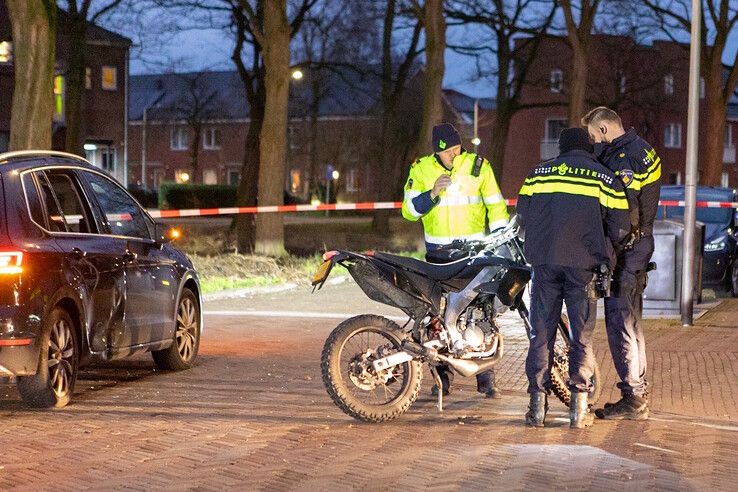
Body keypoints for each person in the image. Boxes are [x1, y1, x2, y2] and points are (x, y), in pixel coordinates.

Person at [516, 127, 631, 428]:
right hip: (584, 268)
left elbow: (522, 217)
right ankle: (578, 411)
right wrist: (602, 248)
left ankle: (535, 409)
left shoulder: (537, 174)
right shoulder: (603, 177)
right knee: (581, 338)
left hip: (544, 265)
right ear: (588, 148)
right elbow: (621, 228)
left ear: (561, 148)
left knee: (540, 334)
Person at [401, 122, 509, 398]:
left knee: (481, 312)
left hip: (474, 253)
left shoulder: (477, 167)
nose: (453, 154)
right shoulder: (421, 169)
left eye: (456, 148)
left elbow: (496, 206)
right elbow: (409, 212)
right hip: (438, 254)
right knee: (438, 317)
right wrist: (433, 193)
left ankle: (486, 377)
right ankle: (442, 379)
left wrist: (501, 239)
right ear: (436, 150)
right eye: (448, 150)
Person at [581, 107, 662, 421]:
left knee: (620, 322)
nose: (593, 142)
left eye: (593, 136)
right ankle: (638, 390)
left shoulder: (622, 160)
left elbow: (622, 216)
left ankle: (633, 395)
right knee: (633, 321)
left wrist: (605, 254)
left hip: (627, 248)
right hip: (641, 245)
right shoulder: (644, 150)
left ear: (603, 130)